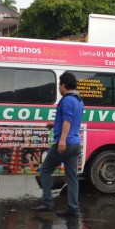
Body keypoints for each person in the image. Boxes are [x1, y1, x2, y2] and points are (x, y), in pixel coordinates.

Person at [31, 72, 84, 218]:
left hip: (65, 143)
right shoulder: (79, 100)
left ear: (64, 85)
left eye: (60, 84)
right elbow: (71, 121)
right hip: (75, 144)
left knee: (45, 170)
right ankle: (73, 208)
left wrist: (61, 140)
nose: (59, 87)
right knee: (72, 177)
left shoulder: (67, 100)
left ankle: (48, 202)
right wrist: (54, 125)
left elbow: (67, 121)